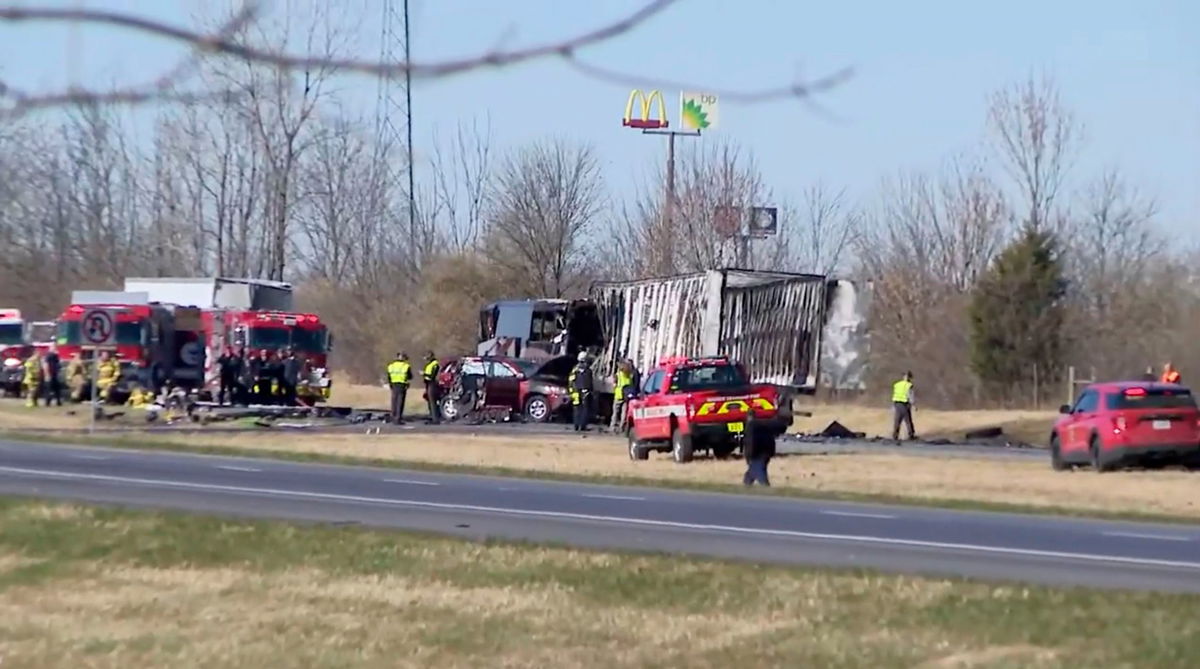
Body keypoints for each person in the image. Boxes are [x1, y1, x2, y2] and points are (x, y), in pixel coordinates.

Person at [568, 351, 594, 432]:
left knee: (577, 409)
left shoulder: (574, 370)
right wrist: (589, 391)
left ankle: (576, 425)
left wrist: (571, 391)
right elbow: (589, 382)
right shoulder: (588, 370)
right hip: (584, 392)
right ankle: (582, 426)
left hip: (575, 392)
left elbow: (571, 381)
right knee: (584, 409)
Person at [386, 352, 413, 424]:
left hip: (394, 384)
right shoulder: (406, 366)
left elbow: (388, 376)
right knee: (400, 402)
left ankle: (393, 416)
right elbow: (410, 376)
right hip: (402, 385)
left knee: (394, 401)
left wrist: (390, 383)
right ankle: (398, 418)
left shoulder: (391, 366)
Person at [609, 359, 635, 432]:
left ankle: (613, 426)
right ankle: (622, 427)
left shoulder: (617, 375)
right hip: (626, 395)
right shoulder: (629, 375)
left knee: (615, 412)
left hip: (618, 394)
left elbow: (614, 384)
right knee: (624, 412)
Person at [891, 370, 917, 442]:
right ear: (909, 377)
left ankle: (895, 436)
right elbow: (910, 395)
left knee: (897, 420)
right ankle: (911, 435)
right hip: (904, 404)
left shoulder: (897, 384)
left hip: (897, 404)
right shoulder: (909, 385)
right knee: (908, 420)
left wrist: (893, 405)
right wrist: (914, 405)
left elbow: (894, 394)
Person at [422, 351, 442, 424]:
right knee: (430, 401)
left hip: (432, 384)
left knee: (432, 401)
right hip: (428, 384)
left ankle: (435, 419)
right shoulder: (430, 364)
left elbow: (432, 375)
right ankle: (432, 416)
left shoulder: (434, 364)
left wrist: (424, 374)